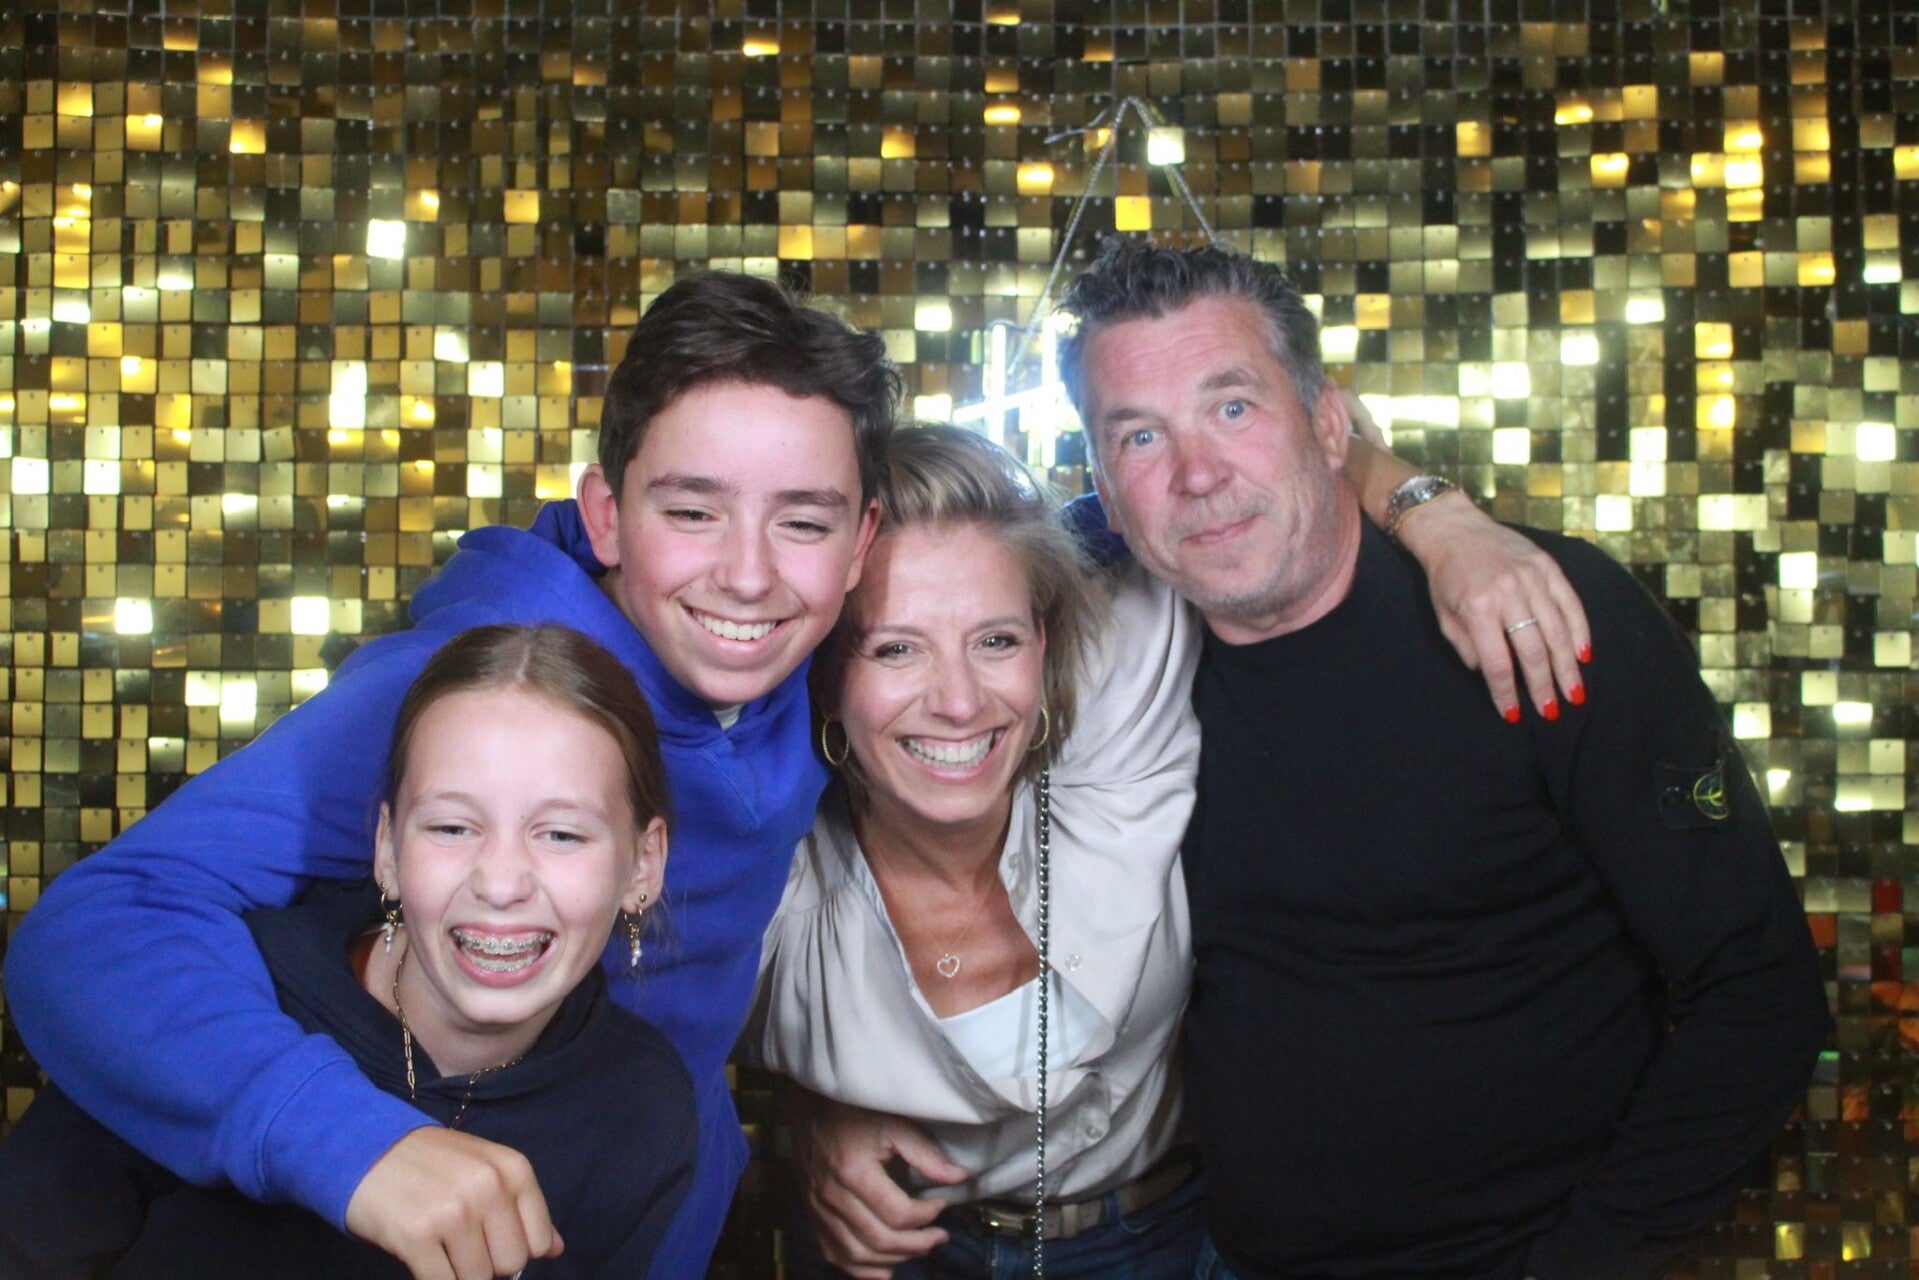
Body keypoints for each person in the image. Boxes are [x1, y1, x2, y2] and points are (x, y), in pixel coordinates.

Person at [4, 271, 893, 1280]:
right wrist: (349, 1141)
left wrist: (847, 1106)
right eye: (691, 511)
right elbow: (96, 926)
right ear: (605, 515)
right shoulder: (470, 697)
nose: (747, 574)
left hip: (634, 1206)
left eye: (804, 524)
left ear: (860, 543)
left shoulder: (823, 672)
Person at [1053, 238, 1830, 1279]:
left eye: (1232, 407)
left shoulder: (1533, 614)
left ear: (1330, 425)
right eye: (1140, 436)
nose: (1197, 474)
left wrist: (1579, 1265)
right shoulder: (1111, 658)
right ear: (1105, 489)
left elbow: (1758, 994)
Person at [747, 419, 1595, 1280]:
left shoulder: (1115, 726)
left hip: (1167, 1237)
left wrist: (1443, 522)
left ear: (1044, 646)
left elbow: (1281, 436)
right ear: (825, 675)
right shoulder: (763, 891)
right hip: (885, 1249)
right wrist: (811, 1112)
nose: (959, 702)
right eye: (895, 649)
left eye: (995, 640)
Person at [0, 623, 695, 1278]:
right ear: (386, 850)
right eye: (452, 828)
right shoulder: (204, 1007)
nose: (501, 883)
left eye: (562, 835)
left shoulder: (643, 1108)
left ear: (644, 866)